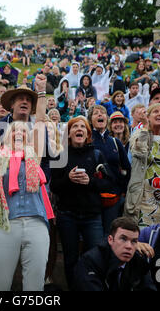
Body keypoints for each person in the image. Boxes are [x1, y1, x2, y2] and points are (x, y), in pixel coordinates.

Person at [0, 72, 54, 291]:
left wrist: (41, 90)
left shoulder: (35, 155)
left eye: (24, 132)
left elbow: (41, 121)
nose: (19, 134)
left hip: (36, 223)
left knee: (34, 288)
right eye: (14, 131)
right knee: (0, 287)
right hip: (5, 224)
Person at [50, 116, 110, 290]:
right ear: (69, 134)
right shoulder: (60, 156)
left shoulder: (97, 154)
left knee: (95, 257)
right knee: (70, 259)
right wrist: (68, 179)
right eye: (74, 126)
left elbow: (107, 183)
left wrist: (90, 181)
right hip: (67, 215)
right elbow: (54, 186)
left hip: (92, 216)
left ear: (88, 134)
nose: (79, 129)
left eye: (82, 127)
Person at [73, 217, 156, 291]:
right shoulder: (90, 262)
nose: (129, 246)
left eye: (134, 241)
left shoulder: (138, 262)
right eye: (123, 239)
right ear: (110, 240)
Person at [88, 105, 131, 235]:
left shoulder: (115, 142)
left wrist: (121, 191)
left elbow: (127, 169)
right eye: (96, 113)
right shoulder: (86, 141)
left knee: (110, 235)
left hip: (113, 199)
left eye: (102, 113)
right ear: (90, 120)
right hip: (92, 199)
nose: (100, 115)